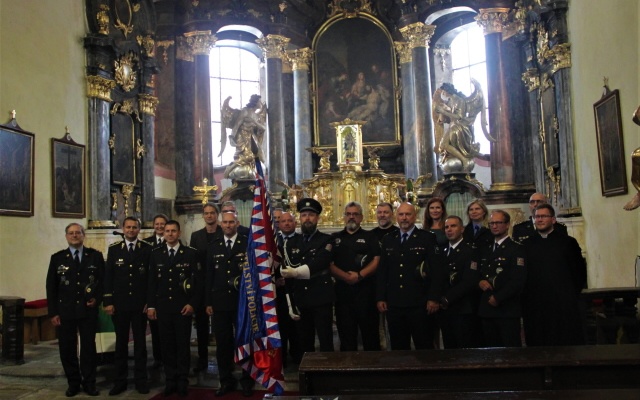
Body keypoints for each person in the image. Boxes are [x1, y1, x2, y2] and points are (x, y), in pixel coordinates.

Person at [376, 202, 446, 350]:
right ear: (396, 217)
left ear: (414, 217)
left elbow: (437, 271)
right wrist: (381, 297)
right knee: (398, 347)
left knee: (424, 345)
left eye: (408, 214)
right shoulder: (389, 239)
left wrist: (434, 298)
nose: (404, 218)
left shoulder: (427, 238)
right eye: (401, 214)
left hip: (419, 303)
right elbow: (383, 271)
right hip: (395, 303)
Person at [46, 223, 104, 397]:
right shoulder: (57, 258)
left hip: (87, 311)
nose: (74, 236)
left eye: (77, 233)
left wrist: (97, 299)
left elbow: (103, 282)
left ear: (83, 235)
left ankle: (89, 382)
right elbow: (51, 287)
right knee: (67, 349)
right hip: (65, 311)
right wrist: (53, 312)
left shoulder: (95, 256)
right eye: (71, 233)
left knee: (88, 349)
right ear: (66, 236)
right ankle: (73, 383)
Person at [147, 220, 200, 397]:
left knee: (182, 346)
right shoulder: (155, 254)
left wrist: (192, 303)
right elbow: (152, 283)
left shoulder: (190, 254)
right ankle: (170, 380)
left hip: (182, 308)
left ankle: (182, 379)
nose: (169, 234)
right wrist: (152, 305)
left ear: (179, 233)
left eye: (173, 231)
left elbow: (197, 282)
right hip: (163, 308)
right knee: (167, 346)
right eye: (167, 231)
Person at [205, 211, 255, 397]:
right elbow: (208, 277)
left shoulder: (246, 243)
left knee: (244, 342)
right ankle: (226, 380)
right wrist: (208, 302)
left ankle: (247, 380)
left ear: (237, 223)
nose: (227, 225)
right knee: (223, 345)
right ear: (220, 224)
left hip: (242, 303)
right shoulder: (214, 245)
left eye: (231, 222)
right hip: (220, 304)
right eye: (224, 222)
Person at [522, 204, 587, 346]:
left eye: (543, 216)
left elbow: (579, 271)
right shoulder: (526, 245)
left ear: (553, 220)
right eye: (536, 216)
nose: (539, 219)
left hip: (563, 301)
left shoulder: (568, 242)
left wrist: (570, 293)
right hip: (536, 302)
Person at [104, 217, 152, 395]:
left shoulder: (146, 249)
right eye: (128, 227)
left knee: (140, 345)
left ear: (139, 230)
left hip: (140, 306)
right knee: (121, 345)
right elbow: (108, 277)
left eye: (134, 227)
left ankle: (141, 380)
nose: (131, 230)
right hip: (120, 305)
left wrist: (149, 301)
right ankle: (120, 381)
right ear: (123, 229)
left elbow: (150, 279)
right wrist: (108, 301)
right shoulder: (114, 250)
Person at [281, 198, 335, 353]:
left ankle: (328, 373)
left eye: (311, 215)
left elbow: (321, 262)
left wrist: (296, 272)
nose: (307, 219)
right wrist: (290, 303)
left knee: (325, 340)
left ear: (317, 218)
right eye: (304, 215)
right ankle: (308, 375)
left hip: (320, 296)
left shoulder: (326, 240)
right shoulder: (291, 242)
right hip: (301, 297)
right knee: (304, 341)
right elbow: (287, 271)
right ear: (299, 218)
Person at [330, 202, 381, 351]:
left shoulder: (370, 236)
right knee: (346, 336)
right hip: (343, 294)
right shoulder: (334, 238)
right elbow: (329, 263)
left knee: (370, 336)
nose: (351, 217)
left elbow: (377, 260)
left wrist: (359, 275)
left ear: (361, 217)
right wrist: (346, 277)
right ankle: (348, 370)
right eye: (348, 214)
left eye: (355, 214)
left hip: (366, 293)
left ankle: (372, 370)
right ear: (344, 217)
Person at [478, 210, 526, 348]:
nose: (494, 226)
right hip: (487, 308)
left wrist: (498, 298)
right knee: (491, 351)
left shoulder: (516, 249)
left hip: (506, 309)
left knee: (511, 350)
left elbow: (517, 280)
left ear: (507, 225)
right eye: (492, 223)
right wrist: (479, 282)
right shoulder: (486, 249)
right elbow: (479, 273)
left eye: (498, 222)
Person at [189, 203, 223, 374]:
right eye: (206, 213)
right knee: (201, 325)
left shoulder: (223, 233)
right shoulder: (196, 236)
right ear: (203, 216)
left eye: (212, 213)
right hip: (201, 286)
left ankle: (224, 359)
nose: (209, 216)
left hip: (219, 285)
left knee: (221, 326)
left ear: (217, 215)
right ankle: (202, 359)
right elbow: (193, 262)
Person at [438, 216, 481, 349]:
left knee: (464, 348)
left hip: (462, 308)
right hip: (444, 309)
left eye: (453, 226)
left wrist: (447, 298)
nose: (449, 229)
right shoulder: (441, 250)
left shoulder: (470, 251)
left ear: (462, 229)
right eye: (446, 227)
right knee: (449, 347)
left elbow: (469, 281)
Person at [274, 211, 302, 366]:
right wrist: (274, 281)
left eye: (289, 221)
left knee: (297, 329)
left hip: (297, 291)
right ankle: (281, 360)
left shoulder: (301, 240)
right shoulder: (272, 242)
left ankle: (298, 358)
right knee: (281, 327)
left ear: (295, 223)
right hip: (278, 293)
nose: (286, 223)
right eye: (283, 221)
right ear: (278, 224)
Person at [143, 213, 169, 368]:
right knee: (154, 327)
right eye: (157, 224)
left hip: (167, 291)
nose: (159, 227)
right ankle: (158, 357)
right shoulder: (146, 244)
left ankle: (168, 356)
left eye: (162, 224)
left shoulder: (173, 240)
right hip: (153, 290)